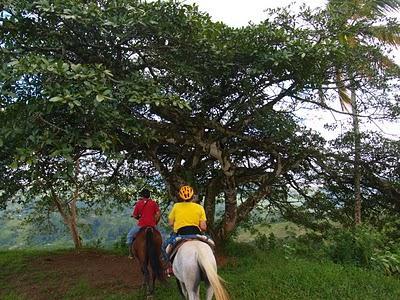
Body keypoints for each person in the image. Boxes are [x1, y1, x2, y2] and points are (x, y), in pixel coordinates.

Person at [126, 188, 160, 258]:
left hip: (141, 225)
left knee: (129, 236)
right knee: (160, 238)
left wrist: (139, 218)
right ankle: (162, 253)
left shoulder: (138, 203)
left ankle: (130, 253)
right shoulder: (154, 203)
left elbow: (135, 215)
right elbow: (158, 214)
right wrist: (155, 222)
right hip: (152, 225)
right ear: (149, 195)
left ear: (142, 195)